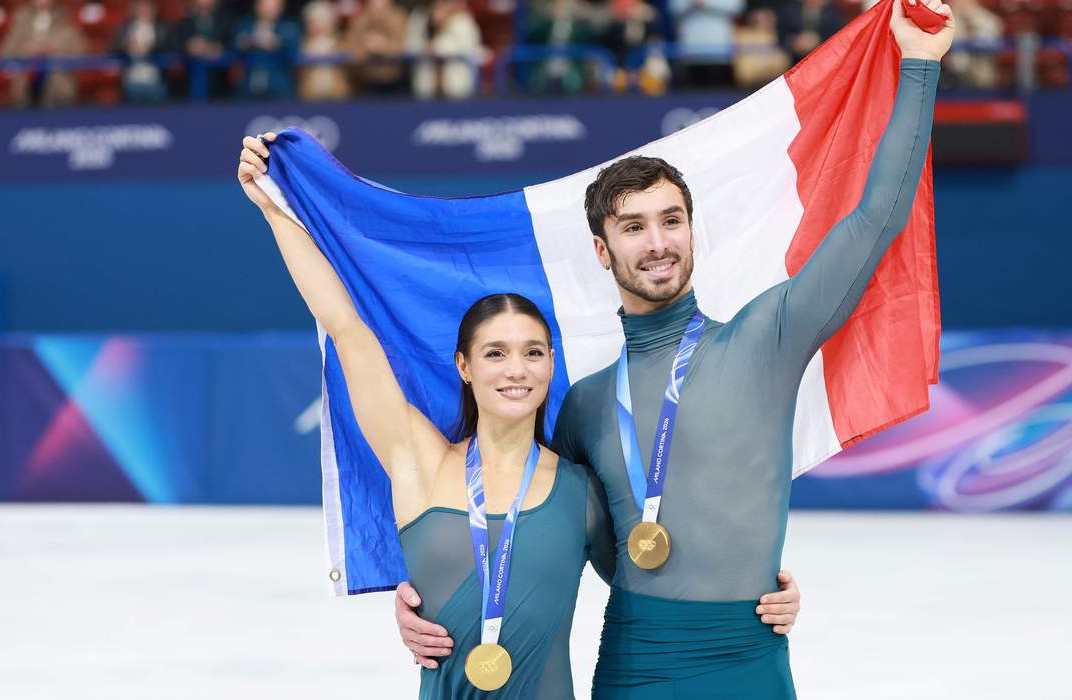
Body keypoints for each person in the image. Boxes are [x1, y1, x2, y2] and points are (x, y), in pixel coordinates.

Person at [395, 0, 954, 696]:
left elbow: (875, 220)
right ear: (602, 251)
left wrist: (920, 66)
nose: (656, 242)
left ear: (692, 231)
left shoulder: (766, 339)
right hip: (635, 663)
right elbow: (532, 534)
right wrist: (430, 597)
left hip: (750, 657)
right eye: (633, 227)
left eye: (670, 220)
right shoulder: (586, 405)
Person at [236, 134, 800, 696]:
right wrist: (275, 210)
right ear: (464, 366)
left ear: (552, 365)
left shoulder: (579, 491)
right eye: (495, 353)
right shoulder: (419, 462)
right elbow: (347, 330)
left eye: (533, 352)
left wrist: (759, 589)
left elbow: (652, 578)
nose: (517, 370)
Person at [0, 0, 85, 107]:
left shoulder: (65, 17)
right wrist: (27, 49)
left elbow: (78, 49)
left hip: (57, 80)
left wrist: (53, 48)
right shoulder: (20, 18)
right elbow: (7, 50)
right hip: (26, 80)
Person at [233, 0, 301, 99]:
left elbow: (295, 51)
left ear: (281, 8)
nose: (269, 10)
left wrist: (277, 44)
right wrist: (246, 43)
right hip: (248, 86)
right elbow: (232, 48)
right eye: (265, 5)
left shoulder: (290, 26)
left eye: (273, 6)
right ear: (257, 6)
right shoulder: (245, 25)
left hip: (279, 87)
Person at [170, 0, 235, 99]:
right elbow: (172, 44)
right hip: (188, 87)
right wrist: (189, 46)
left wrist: (214, 47)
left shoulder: (226, 21)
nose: (205, 2)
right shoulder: (184, 23)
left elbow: (233, 43)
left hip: (221, 87)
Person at [115, 0, 171, 103]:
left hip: (156, 81)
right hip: (131, 81)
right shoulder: (125, 27)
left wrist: (149, 48)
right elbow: (115, 47)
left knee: (158, 115)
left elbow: (169, 47)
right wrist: (127, 47)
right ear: (134, 9)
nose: (144, 10)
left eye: (147, 7)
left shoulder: (162, 27)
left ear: (154, 9)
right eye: (141, 7)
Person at [298, 0, 352, 101]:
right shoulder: (303, 44)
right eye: (312, 21)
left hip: (337, 97)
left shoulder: (341, 43)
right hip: (310, 98)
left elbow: (351, 63)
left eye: (320, 20)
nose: (316, 25)